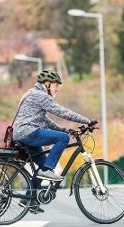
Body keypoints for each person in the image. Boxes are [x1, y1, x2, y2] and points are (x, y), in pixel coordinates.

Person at [13, 69, 97, 213]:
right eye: (56, 85)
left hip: (24, 133)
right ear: (47, 84)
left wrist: (65, 130)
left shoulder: (34, 94)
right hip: (28, 132)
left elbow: (46, 121)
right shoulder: (41, 95)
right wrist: (87, 121)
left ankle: (29, 200)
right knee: (61, 141)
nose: (58, 88)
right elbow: (62, 111)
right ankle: (47, 170)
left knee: (41, 165)